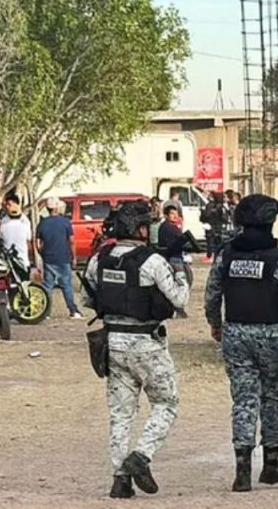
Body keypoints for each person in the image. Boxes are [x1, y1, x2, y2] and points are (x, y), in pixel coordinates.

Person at [82, 200, 190, 499]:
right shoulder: (152, 261)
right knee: (166, 403)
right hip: (147, 343)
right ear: (141, 229)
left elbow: (87, 299)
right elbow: (180, 300)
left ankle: (120, 481)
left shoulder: (99, 259)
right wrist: (180, 272)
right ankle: (140, 457)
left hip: (112, 343)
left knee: (121, 415)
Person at [204, 194, 278, 492]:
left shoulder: (226, 255)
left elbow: (212, 294)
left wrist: (215, 323)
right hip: (273, 335)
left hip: (236, 333)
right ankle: (271, 464)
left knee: (243, 400)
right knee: (273, 398)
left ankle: (242, 470)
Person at [37, 197, 82, 319]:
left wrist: (42, 254)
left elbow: (38, 243)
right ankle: (73, 310)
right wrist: (74, 257)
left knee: (48, 286)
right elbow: (72, 241)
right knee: (66, 285)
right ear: (57, 207)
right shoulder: (65, 222)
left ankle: (46, 312)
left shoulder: (42, 223)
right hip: (63, 258)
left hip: (48, 258)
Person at [0, 194, 34, 269]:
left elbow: (0, 236)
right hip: (16, 260)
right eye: (7, 205)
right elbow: (29, 240)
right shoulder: (25, 224)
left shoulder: (4, 224)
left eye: (9, 204)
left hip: (16, 260)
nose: (7, 207)